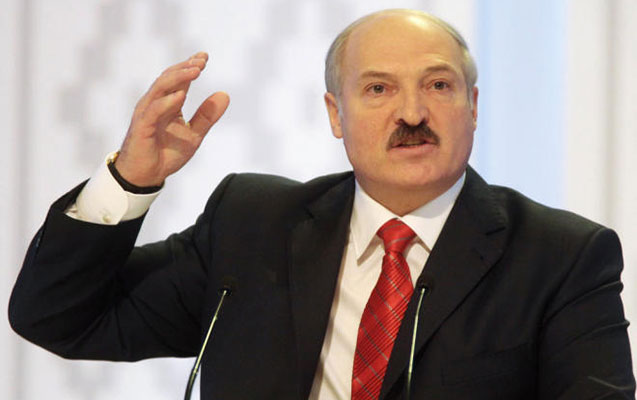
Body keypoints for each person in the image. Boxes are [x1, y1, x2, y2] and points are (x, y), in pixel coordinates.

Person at [8, 8, 635, 400]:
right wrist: (130, 181)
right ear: (336, 114)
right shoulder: (253, 224)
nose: (412, 112)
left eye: (438, 85)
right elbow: (59, 317)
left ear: (472, 106)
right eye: (378, 89)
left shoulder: (561, 257)